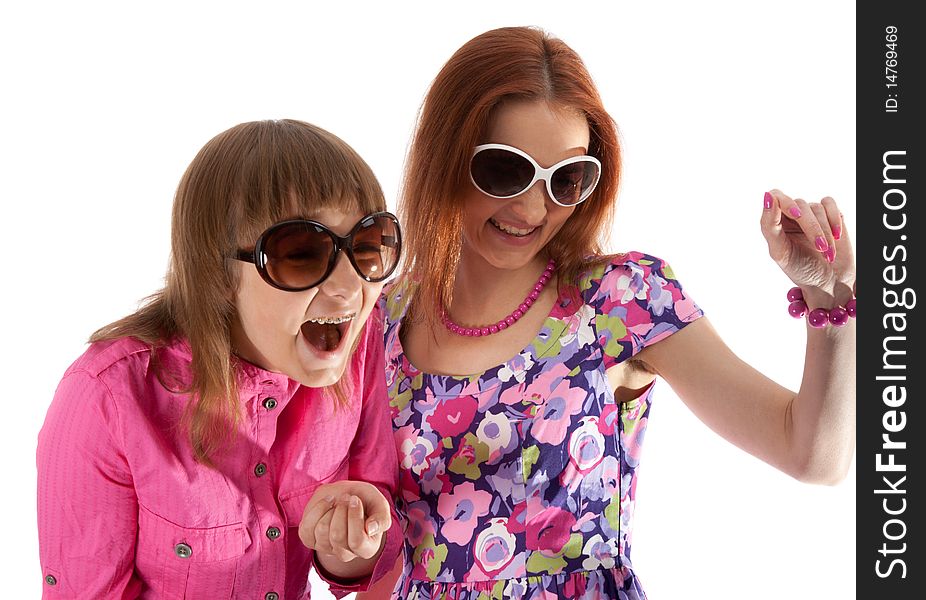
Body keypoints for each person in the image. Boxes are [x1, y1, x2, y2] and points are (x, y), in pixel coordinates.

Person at [358, 27, 856, 599]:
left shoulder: (619, 300)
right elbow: (373, 557)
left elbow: (812, 455)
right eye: (504, 170)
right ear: (445, 157)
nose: (531, 207)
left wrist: (832, 295)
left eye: (565, 179)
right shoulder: (380, 321)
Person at [37, 119, 405, 599]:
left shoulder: (364, 343)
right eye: (301, 253)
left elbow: (373, 555)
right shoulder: (105, 397)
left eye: (367, 246)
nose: (350, 287)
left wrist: (352, 539)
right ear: (217, 273)